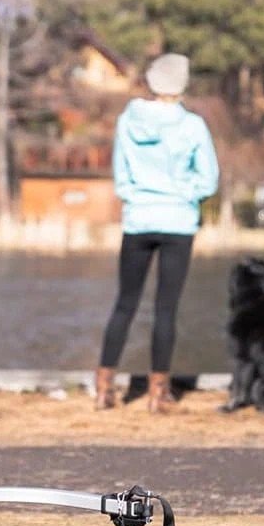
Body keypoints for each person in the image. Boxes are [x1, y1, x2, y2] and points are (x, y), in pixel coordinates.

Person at [95, 52, 219, 413]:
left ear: (152, 82)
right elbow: (208, 180)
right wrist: (182, 193)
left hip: (138, 220)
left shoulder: (128, 120)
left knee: (125, 303)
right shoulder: (192, 125)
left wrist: (140, 197)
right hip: (178, 222)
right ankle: (158, 393)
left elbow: (121, 177)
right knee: (166, 308)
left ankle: (104, 388)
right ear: (182, 84)